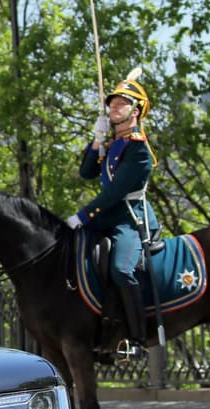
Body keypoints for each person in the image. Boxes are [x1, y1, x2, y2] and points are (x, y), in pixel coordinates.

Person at [65, 70, 159, 361]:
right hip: (109, 216)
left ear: (136, 111)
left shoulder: (138, 149)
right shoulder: (111, 143)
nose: (113, 108)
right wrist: (96, 140)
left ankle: (137, 340)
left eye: (121, 103)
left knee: (121, 269)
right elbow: (86, 173)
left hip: (130, 218)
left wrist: (83, 215)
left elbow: (115, 193)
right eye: (112, 103)